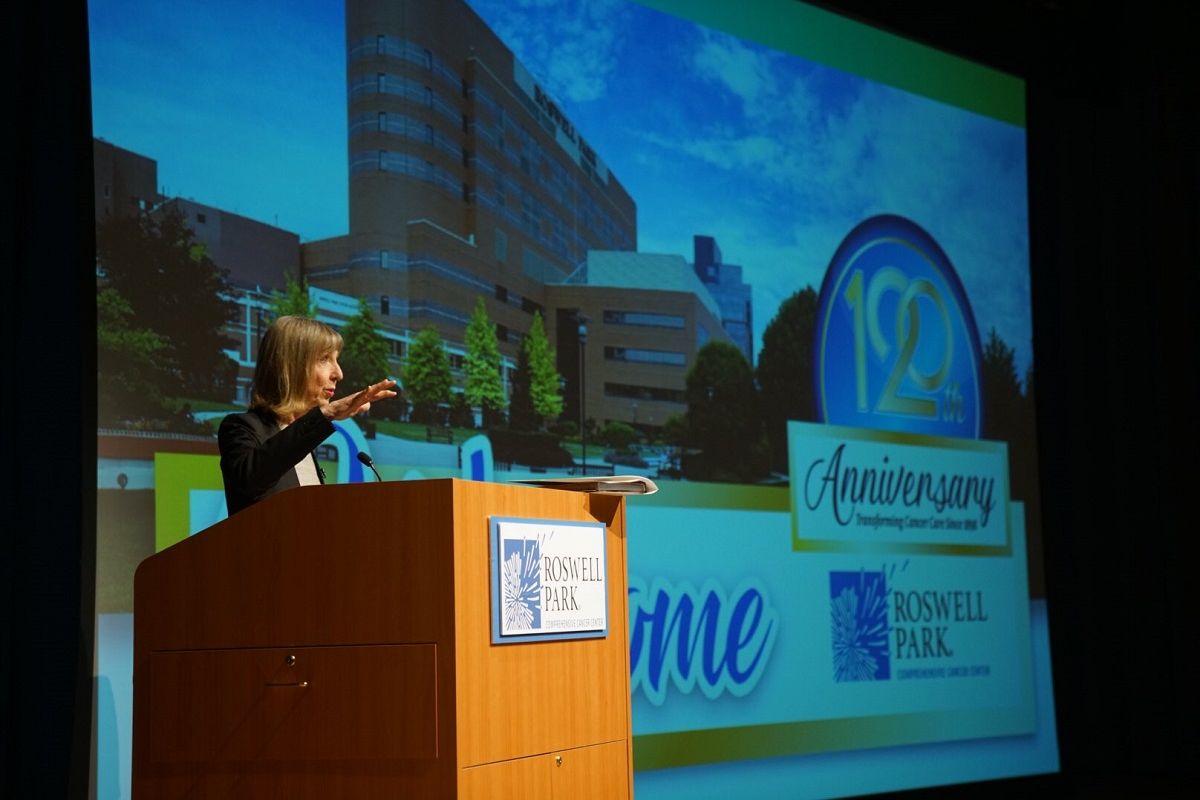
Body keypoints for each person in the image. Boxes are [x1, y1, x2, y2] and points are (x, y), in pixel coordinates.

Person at [218, 315, 396, 516]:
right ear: (291, 365)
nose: (338, 373)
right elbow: (250, 483)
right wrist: (326, 414)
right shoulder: (241, 428)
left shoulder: (302, 439)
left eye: (336, 360)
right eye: (324, 359)